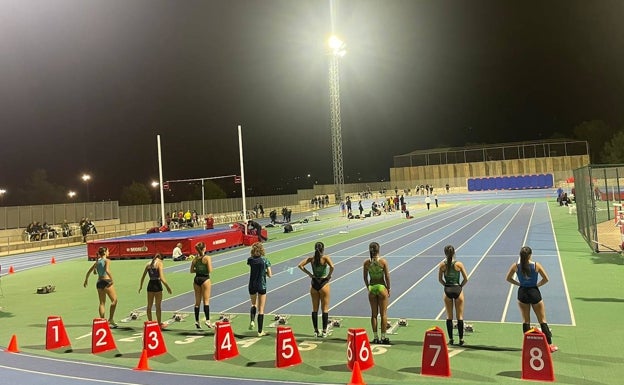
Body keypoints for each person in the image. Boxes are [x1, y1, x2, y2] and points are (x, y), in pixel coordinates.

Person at [505, 246, 558, 353]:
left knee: (526, 320)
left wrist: (518, 283)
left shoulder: (515, 266)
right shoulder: (536, 265)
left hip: (522, 293)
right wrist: (537, 285)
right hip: (534, 292)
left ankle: (527, 345)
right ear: (530, 255)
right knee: (542, 320)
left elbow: (508, 278)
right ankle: (550, 345)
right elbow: (546, 279)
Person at [298, 242, 335, 338]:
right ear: (323, 249)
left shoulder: (311, 259)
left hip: (314, 284)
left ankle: (315, 331)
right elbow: (332, 266)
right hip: (323, 283)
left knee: (315, 308)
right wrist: (329, 276)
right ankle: (324, 331)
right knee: (325, 309)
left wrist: (310, 274)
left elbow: (300, 265)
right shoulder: (325, 258)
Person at [438, 245, 468, 346]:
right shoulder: (459, 264)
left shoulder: (442, 265)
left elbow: (440, 280)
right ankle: (461, 339)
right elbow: (465, 278)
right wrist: (460, 286)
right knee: (459, 316)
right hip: (457, 289)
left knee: (449, 316)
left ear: (445, 253)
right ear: (454, 252)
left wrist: (446, 285)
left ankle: (450, 339)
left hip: (447, 290)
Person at [363, 242, 391, 344]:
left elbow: (365, 277)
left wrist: (368, 287)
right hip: (381, 287)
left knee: (373, 314)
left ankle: (375, 337)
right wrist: (388, 288)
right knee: (383, 314)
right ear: (378, 250)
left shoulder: (366, 263)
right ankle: (383, 337)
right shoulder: (383, 262)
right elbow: (387, 276)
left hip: (372, 288)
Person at [83, 247, 118, 328]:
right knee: (114, 300)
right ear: (105, 252)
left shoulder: (97, 262)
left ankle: (102, 321)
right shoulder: (107, 260)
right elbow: (107, 270)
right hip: (106, 281)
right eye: (108, 251)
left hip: (99, 283)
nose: (109, 252)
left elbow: (90, 271)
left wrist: (86, 280)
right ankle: (111, 319)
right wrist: (112, 280)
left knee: (102, 303)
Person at [138, 253, 172, 328]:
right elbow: (162, 278)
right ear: (161, 258)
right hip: (157, 285)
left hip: (150, 285)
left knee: (149, 306)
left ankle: (150, 323)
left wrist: (141, 286)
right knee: (158, 306)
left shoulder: (148, 264)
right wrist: (167, 287)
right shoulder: (159, 263)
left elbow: (143, 277)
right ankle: (159, 324)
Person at [247, 242, 272, 337]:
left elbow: (253, 267)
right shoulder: (265, 260)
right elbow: (270, 274)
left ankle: (252, 320)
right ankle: (260, 331)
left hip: (252, 284)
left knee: (253, 304)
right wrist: (264, 272)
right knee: (261, 309)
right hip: (262, 285)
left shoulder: (250, 260)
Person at [190, 242, 213, 328]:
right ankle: (207, 320)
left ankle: (196, 321)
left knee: (197, 302)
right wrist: (204, 269)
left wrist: (198, 270)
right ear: (204, 248)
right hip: (205, 279)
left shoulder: (195, 259)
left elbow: (191, 271)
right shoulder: (207, 258)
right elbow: (210, 270)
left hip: (196, 279)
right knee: (206, 301)